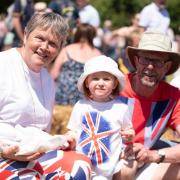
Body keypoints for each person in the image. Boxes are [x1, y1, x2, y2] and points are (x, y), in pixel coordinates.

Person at [0, 12, 91, 179]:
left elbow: (39, 130)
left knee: (80, 165)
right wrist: (4, 150)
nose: (44, 47)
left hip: (33, 155)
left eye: (53, 43)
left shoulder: (48, 80)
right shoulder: (3, 65)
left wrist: (60, 141)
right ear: (26, 35)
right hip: (3, 153)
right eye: (40, 38)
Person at [117, 30, 180, 179]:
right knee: (127, 169)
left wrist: (154, 155)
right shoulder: (115, 86)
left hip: (145, 159)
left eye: (158, 61)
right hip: (112, 159)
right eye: (145, 59)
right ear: (137, 61)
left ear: (167, 67)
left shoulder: (174, 97)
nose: (150, 67)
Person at [65, 55, 135, 179]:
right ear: (87, 82)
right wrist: (68, 138)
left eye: (106, 79)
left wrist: (129, 135)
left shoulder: (121, 108)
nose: (101, 83)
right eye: (95, 78)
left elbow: (128, 131)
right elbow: (73, 131)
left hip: (107, 169)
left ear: (114, 83)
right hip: (82, 165)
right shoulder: (80, 106)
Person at [50, 23, 101, 105]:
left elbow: (54, 74)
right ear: (92, 36)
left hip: (63, 95)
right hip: (85, 98)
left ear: (77, 33)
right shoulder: (98, 54)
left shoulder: (67, 50)